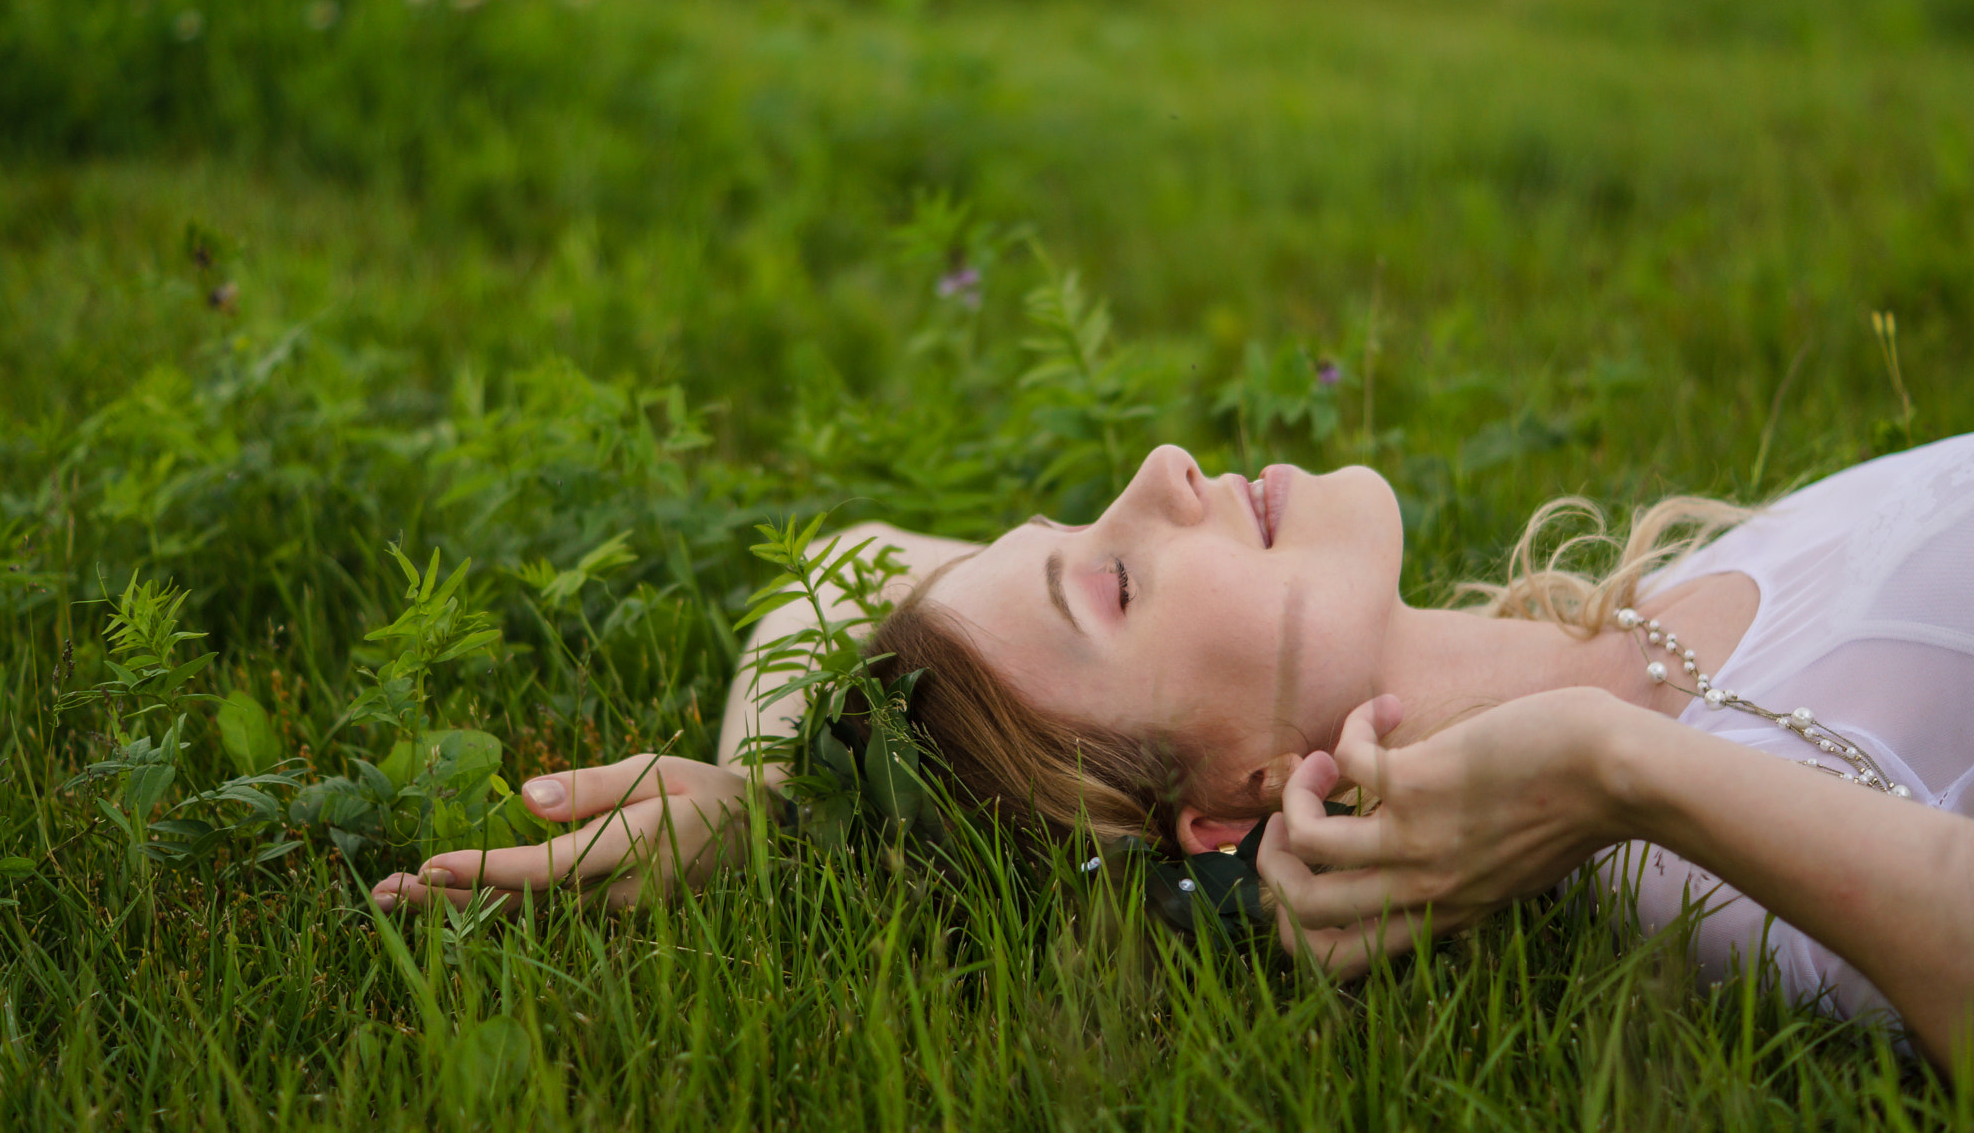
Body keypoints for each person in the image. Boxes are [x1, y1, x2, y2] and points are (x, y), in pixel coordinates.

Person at [371, 434, 1974, 1066]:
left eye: (1082, 528)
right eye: (1119, 580)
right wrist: (1625, 773)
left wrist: (792, 815)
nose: (1158, 465)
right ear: (1228, 812)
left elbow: (844, 560)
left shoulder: (1644, 641)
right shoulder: (1702, 859)